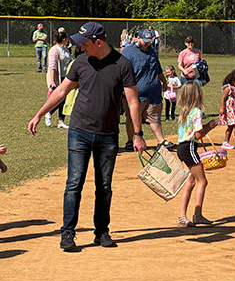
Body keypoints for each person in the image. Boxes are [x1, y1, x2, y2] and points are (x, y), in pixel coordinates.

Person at [27, 22, 146, 251]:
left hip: (108, 135)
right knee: (74, 183)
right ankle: (68, 233)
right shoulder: (81, 61)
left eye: (85, 43)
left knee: (104, 186)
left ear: (98, 42)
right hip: (79, 132)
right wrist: (39, 114)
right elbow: (61, 91)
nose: (80, 47)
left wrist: (138, 134)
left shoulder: (122, 64)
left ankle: (101, 233)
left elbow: (133, 101)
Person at [121, 29, 174, 151]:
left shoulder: (153, 51)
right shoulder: (128, 52)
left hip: (153, 92)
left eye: (150, 41)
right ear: (137, 38)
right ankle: (130, 141)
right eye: (145, 41)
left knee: (154, 117)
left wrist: (164, 82)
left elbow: (158, 69)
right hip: (135, 93)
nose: (147, 44)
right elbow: (120, 73)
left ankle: (161, 141)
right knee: (132, 117)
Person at [176, 82, 219, 227]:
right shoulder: (196, 112)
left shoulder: (184, 111)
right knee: (202, 181)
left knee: (190, 181)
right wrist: (210, 126)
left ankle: (182, 216)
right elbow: (199, 134)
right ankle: (197, 215)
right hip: (189, 148)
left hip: (181, 148)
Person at [45, 30, 71, 128]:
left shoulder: (66, 49)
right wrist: (52, 81)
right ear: (64, 40)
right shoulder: (54, 50)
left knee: (65, 99)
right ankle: (49, 112)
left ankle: (61, 121)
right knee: (58, 99)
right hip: (57, 78)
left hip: (66, 77)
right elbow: (52, 66)